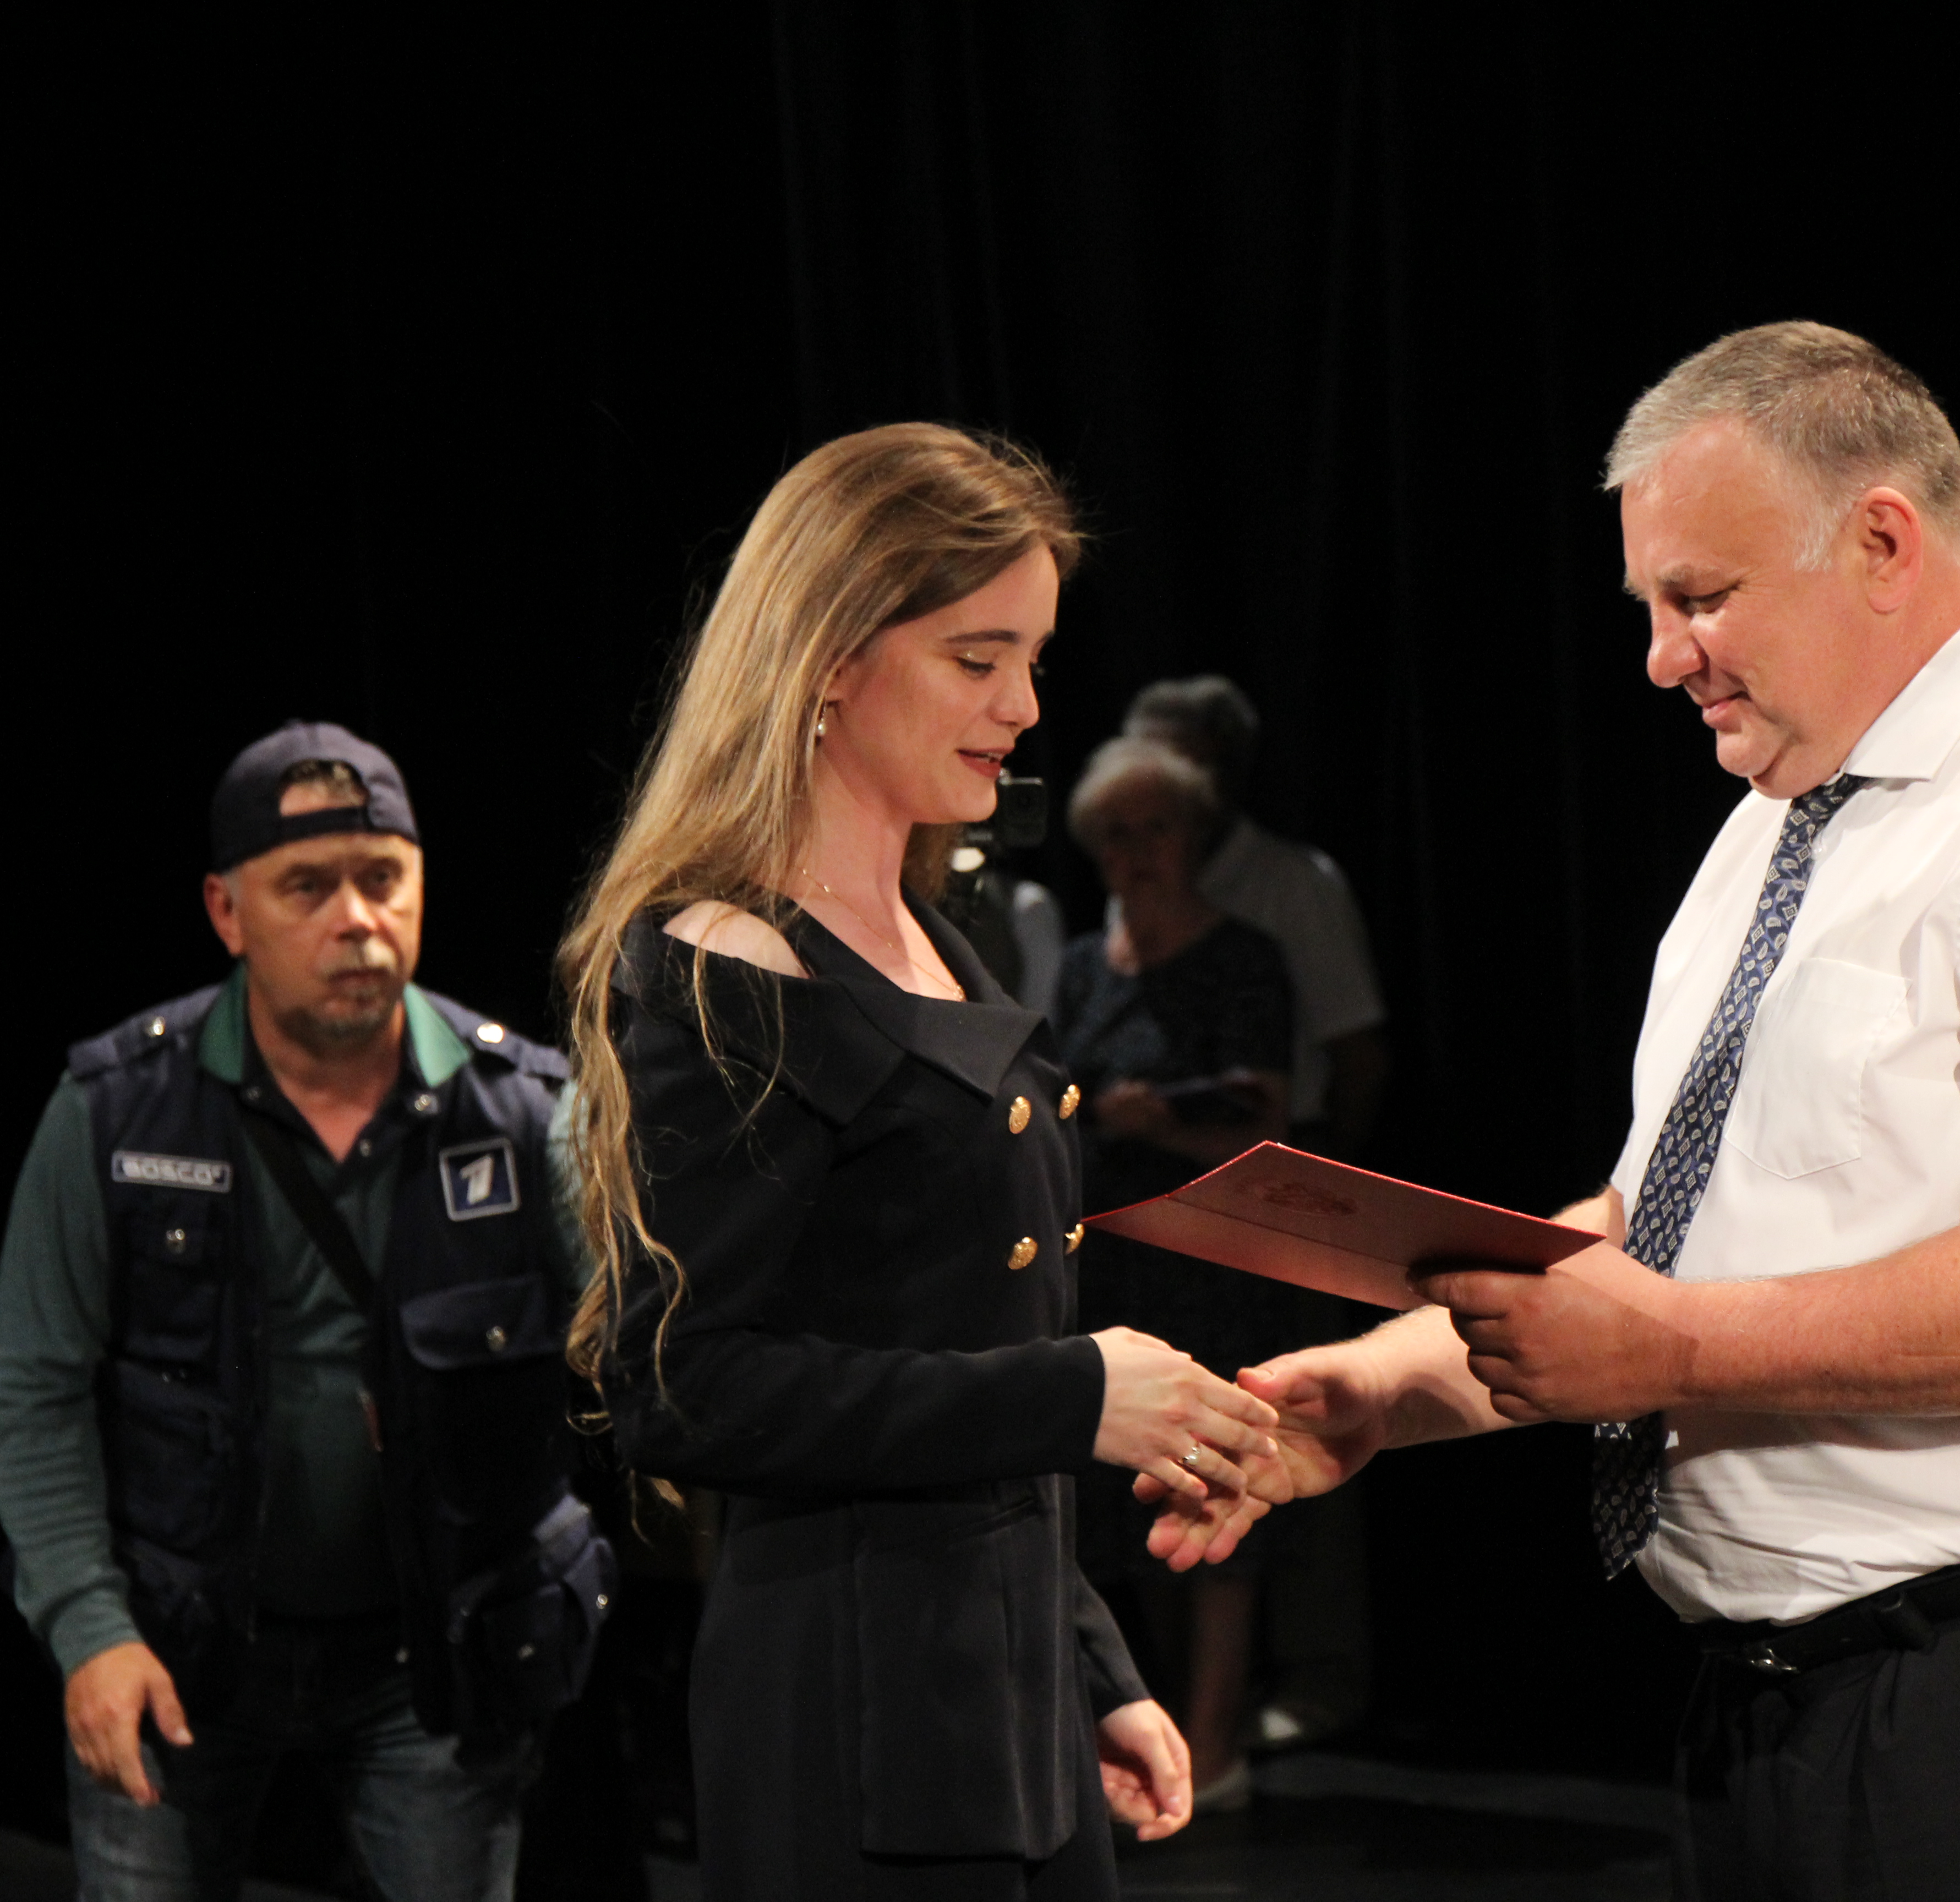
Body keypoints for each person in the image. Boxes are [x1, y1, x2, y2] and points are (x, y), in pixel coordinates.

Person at [1160, 322, 1960, 1899]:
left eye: (1700, 597)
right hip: (1791, 1701)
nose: (1661, 657)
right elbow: (1666, 1225)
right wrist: (1383, 1389)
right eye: (1649, 607)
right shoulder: (1776, 823)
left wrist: (1672, 1352)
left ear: (1883, 544)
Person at [559, 421, 1282, 1901]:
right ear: (831, 658)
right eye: (977, 658)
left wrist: (1089, 1669)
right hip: (849, 1730)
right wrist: (1076, 1394)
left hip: (1006, 1719)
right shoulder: (730, 963)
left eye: (1033, 658)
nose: (1025, 705)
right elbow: (681, 1383)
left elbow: (964, 1349)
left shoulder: (941, 946)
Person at [0, 721, 602, 1901]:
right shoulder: (115, 1112)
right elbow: (34, 1387)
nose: (357, 919)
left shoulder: (530, 1114)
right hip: (174, 1647)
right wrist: (88, 1628)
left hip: (436, 1661)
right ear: (227, 913)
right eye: (308, 887)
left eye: (383, 879)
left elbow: (640, 1342)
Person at [1122, 677, 1388, 1751]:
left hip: (1284, 1185)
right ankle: (1187, 1692)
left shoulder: (1285, 882)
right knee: (1198, 1426)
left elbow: (1355, 1046)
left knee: (1307, 1413)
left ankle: (1320, 1676)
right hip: (1170, 1198)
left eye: (1175, 760)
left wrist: (1326, 1189)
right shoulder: (1133, 883)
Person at [1053, 735, 1293, 1804]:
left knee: (1217, 1494)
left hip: (1213, 1261)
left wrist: (1164, 1124)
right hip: (1107, 1268)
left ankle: (1213, 1743)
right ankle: (1155, 1741)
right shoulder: (1077, 966)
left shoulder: (1243, 957)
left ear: (1193, 837)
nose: (1134, 852)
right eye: (1115, 835)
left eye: (1153, 830)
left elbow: (1270, 1122)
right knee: (1124, 1505)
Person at [1122, 677, 1389, 1158]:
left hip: (1279, 1158)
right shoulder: (1133, 878)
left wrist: (1324, 1173)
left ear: (1228, 774)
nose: (1166, 790)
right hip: (1153, 1161)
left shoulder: (1295, 883)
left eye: (1185, 769)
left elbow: (1358, 1055)